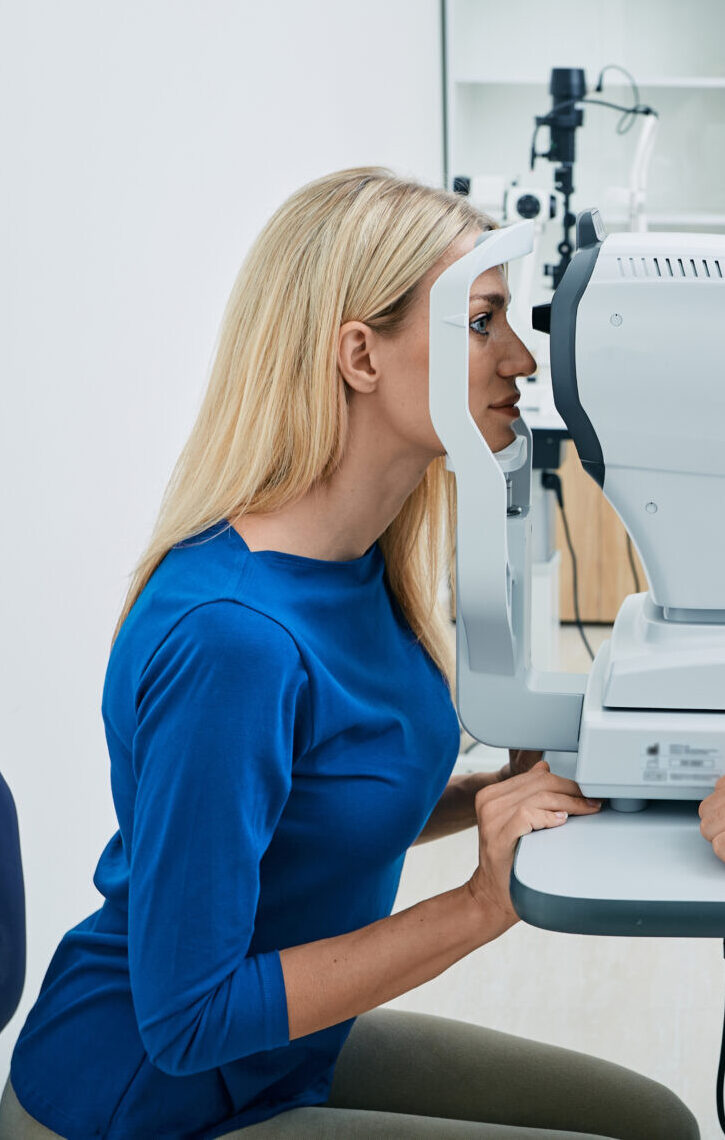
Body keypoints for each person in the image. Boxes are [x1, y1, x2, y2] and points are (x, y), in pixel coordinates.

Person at [0, 168, 699, 1140]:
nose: (522, 359)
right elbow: (185, 1018)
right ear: (360, 356)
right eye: (481, 321)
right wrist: (478, 903)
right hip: (145, 1100)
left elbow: (312, 812)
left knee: (651, 1121)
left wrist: (494, 791)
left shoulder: (363, 566)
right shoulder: (233, 643)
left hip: (283, 1054)